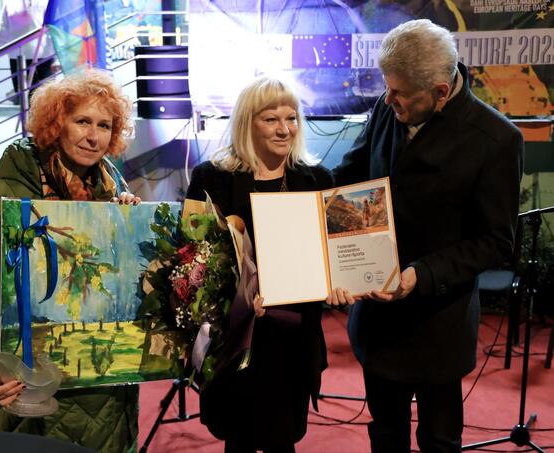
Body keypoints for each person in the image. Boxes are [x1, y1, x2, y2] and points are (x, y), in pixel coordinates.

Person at [328, 19, 524, 452]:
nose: (387, 99)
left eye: (399, 93)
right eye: (386, 87)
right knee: (385, 434)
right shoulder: (389, 107)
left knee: (439, 440)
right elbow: (347, 180)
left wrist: (421, 274)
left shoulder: (496, 140)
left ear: (439, 92)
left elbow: (496, 243)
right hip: (377, 318)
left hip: (438, 324)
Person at [0, 69, 140, 453]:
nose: (93, 137)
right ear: (57, 123)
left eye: (104, 126)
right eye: (82, 121)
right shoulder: (23, 173)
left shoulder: (111, 181)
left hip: (109, 378)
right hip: (36, 373)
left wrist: (130, 228)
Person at [186, 76, 333, 453]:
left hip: (292, 341)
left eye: (292, 118)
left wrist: (339, 282)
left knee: (283, 439)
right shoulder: (211, 178)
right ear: (247, 123)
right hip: (236, 338)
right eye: (271, 119)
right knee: (237, 438)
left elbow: (328, 255)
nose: (284, 129)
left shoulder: (316, 179)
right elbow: (193, 261)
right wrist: (237, 298)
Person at [0, 0, 57, 100]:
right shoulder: (9, 3)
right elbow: (1, 34)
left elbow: (55, 29)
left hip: (44, 60)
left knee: (46, 101)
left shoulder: (47, 2)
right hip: (17, 61)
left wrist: (58, 59)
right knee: (25, 102)